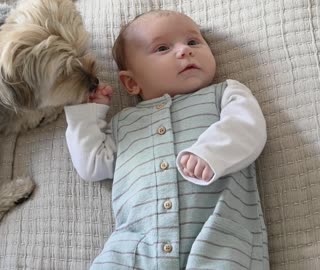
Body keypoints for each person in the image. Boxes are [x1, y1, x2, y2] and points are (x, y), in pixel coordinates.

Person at [64, 10, 269, 269]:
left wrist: (211, 153)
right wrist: (88, 114)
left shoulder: (225, 93)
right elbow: (92, 165)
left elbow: (246, 126)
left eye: (193, 42)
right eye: (162, 48)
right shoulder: (124, 124)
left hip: (216, 237)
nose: (184, 51)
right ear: (130, 83)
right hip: (135, 247)